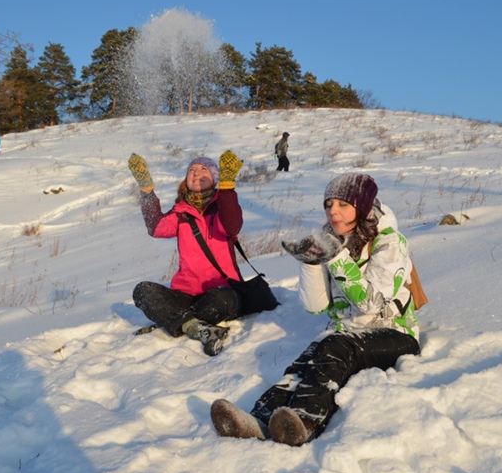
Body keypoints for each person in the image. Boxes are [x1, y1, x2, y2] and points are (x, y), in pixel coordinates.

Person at [211, 173, 421, 446]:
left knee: (335, 347)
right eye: (328, 204)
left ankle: (306, 421)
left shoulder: (390, 242)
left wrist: (335, 257)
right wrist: (310, 264)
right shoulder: (333, 240)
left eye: (343, 205)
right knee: (304, 362)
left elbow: (371, 303)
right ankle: (259, 419)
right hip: (346, 332)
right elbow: (316, 306)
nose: (333, 211)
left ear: (363, 206)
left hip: (395, 335)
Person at [128, 150, 246, 356]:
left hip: (222, 291)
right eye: (192, 169)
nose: (196, 172)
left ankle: (177, 322)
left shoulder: (222, 206)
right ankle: (192, 325)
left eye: (204, 169)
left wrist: (227, 187)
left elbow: (232, 226)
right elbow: (156, 228)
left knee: (224, 298)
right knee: (143, 291)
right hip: (186, 294)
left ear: (216, 178)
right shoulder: (180, 212)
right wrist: (146, 190)